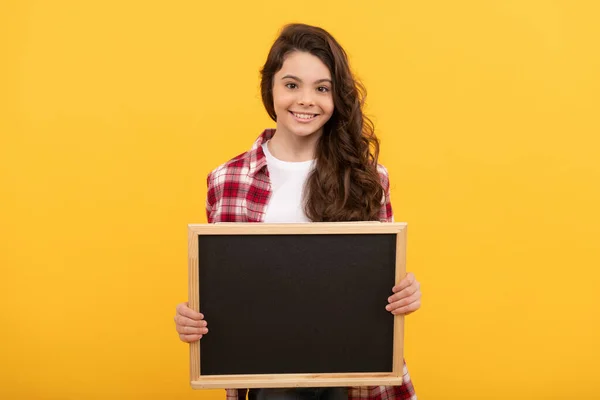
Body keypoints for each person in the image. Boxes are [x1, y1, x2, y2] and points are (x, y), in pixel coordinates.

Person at [174, 23, 422, 400]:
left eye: (322, 88)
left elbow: (379, 282)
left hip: (352, 381)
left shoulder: (369, 178)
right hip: (268, 384)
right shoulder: (227, 180)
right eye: (292, 85)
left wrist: (405, 293)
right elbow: (225, 289)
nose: (306, 100)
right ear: (270, 90)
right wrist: (194, 321)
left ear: (337, 97)